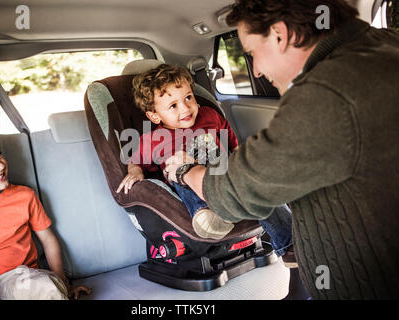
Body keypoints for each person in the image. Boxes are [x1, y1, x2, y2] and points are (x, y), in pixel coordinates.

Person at [164, 0, 399, 299]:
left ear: (279, 34)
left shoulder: (325, 93)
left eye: (251, 54)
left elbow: (238, 190)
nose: (258, 71)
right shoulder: (388, 46)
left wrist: (186, 170)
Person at [117, 64, 294, 262]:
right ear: (154, 116)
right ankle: (207, 214)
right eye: (173, 106)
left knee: (259, 191)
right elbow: (135, 162)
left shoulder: (210, 116)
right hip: (189, 183)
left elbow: (234, 148)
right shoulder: (152, 140)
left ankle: (289, 247)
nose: (185, 108)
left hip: (224, 175)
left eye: (188, 97)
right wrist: (134, 171)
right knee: (178, 173)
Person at [0, 119, 92, 300]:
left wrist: (64, 282)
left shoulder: (24, 196)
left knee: (47, 287)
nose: (0, 165)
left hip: (18, 280)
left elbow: (48, 239)